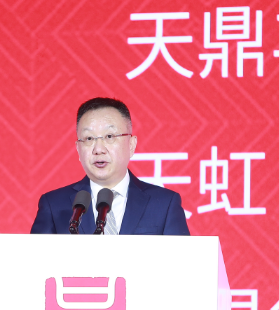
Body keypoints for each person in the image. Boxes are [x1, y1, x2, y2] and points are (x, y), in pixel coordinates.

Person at [30, 97, 190, 235]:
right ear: (78, 148)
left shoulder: (164, 204)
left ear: (131, 145)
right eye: (89, 138)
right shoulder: (54, 206)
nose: (98, 149)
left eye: (109, 136)